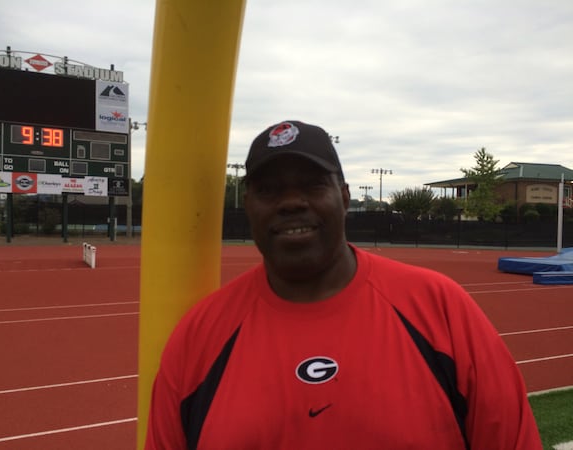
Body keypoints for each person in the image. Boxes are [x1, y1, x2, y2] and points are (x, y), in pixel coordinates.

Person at [144, 120, 542, 450]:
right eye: (269, 190)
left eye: (313, 185)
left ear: (345, 197)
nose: (291, 202)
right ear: (247, 204)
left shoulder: (440, 309)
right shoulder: (199, 338)